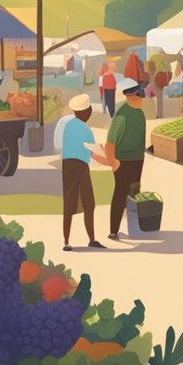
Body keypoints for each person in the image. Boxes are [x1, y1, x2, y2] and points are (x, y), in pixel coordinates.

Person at [56, 93, 103, 251]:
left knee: (68, 204)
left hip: (67, 165)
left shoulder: (68, 126)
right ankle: (92, 239)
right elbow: (93, 151)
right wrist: (111, 161)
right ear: (85, 112)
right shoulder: (85, 129)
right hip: (81, 166)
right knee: (89, 203)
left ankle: (66, 241)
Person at [104, 78, 147, 241]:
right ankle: (114, 230)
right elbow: (111, 141)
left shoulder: (140, 113)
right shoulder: (122, 113)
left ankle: (135, 227)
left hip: (137, 159)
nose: (142, 97)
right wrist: (113, 163)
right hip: (123, 159)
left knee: (134, 192)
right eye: (139, 93)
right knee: (121, 193)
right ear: (132, 94)